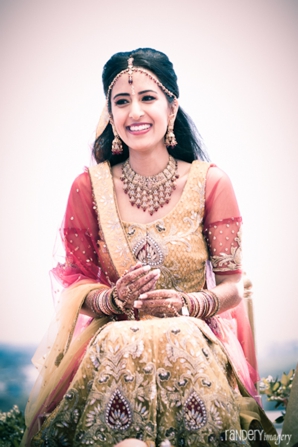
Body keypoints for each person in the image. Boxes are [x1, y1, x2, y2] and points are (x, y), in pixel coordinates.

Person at [22, 48, 276, 447]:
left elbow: (231, 285)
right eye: (121, 101)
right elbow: (75, 285)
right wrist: (112, 300)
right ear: (109, 113)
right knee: (120, 343)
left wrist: (188, 305)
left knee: (185, 336)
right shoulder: (88, 187)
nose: (135, 112)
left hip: (195, 342)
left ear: (172, 108)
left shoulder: (211, 183)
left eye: (147, 97)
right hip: (114, 345)